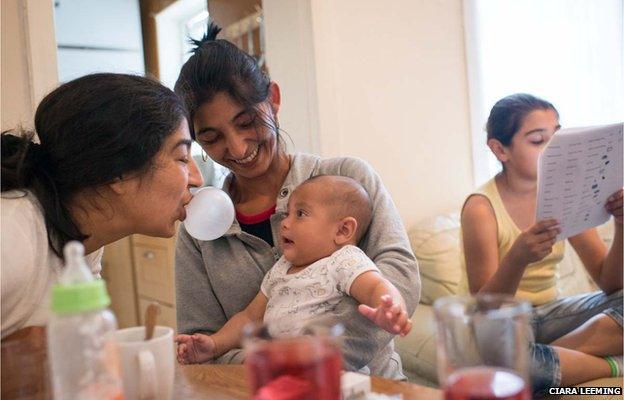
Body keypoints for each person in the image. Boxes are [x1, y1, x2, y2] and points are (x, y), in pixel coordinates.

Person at [173, 22, 420, 379]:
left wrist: (306, 362)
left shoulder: (349, 180)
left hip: (370, 386)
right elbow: (204, 345)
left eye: (247, 122)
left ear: (272, 99)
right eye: (213, 138)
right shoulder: (199, 231)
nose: (238, 148)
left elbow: (400, 284)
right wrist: (283, 373)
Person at [1, 73, 203, 339]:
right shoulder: (13, 235)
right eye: (181, 157)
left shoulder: (84, 243)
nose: (197, 178)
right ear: (118, 172)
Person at [459, 93, 623, 394]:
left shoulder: (564, 195)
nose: (554, 151)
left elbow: (610, 283)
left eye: (557, 137)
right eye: (538, 141)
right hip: (501, 323)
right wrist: (518, 257)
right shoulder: (481, 208)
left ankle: (550, 358)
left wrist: (622, 225)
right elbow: (486, 308)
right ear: (499, 149)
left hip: (552, 315)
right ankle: (611, 364)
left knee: (521, 368)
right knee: (512, 367)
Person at [175, 176, 413, 367]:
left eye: (300, 214)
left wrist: (391, 307)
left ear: (343, 230)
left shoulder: (343, 261)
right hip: (281, 378)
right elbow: (249, 317)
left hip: (332, 377)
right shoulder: (281, 269)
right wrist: (214, 345)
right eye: (287, 213)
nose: (285, 223)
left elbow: (374, 286)